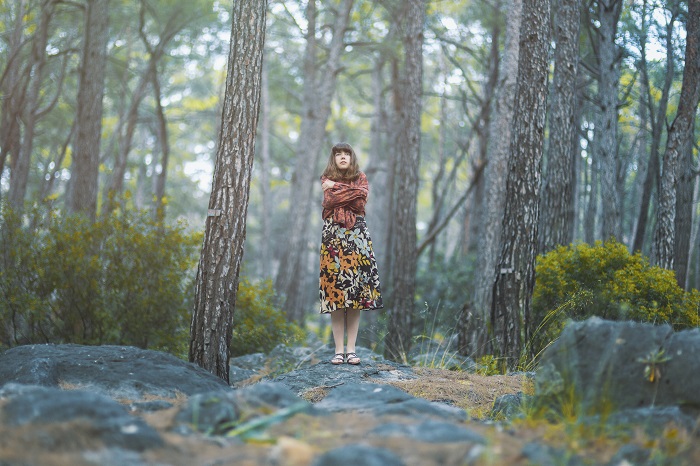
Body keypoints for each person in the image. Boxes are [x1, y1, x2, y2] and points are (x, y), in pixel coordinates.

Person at [319, 142, 383, 366]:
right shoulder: (324, 176)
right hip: (333, 238)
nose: (343, 157)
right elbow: (329, 202)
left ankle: (352, 350)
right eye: (339, 154)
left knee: (355, 296)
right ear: (334, 158)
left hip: (357, 237)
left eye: (347, 153)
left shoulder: (360, 177)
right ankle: (338, 351)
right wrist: (347, 192)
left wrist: (335, 188)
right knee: (337, 295)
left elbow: (360, 200)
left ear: (352, 157)